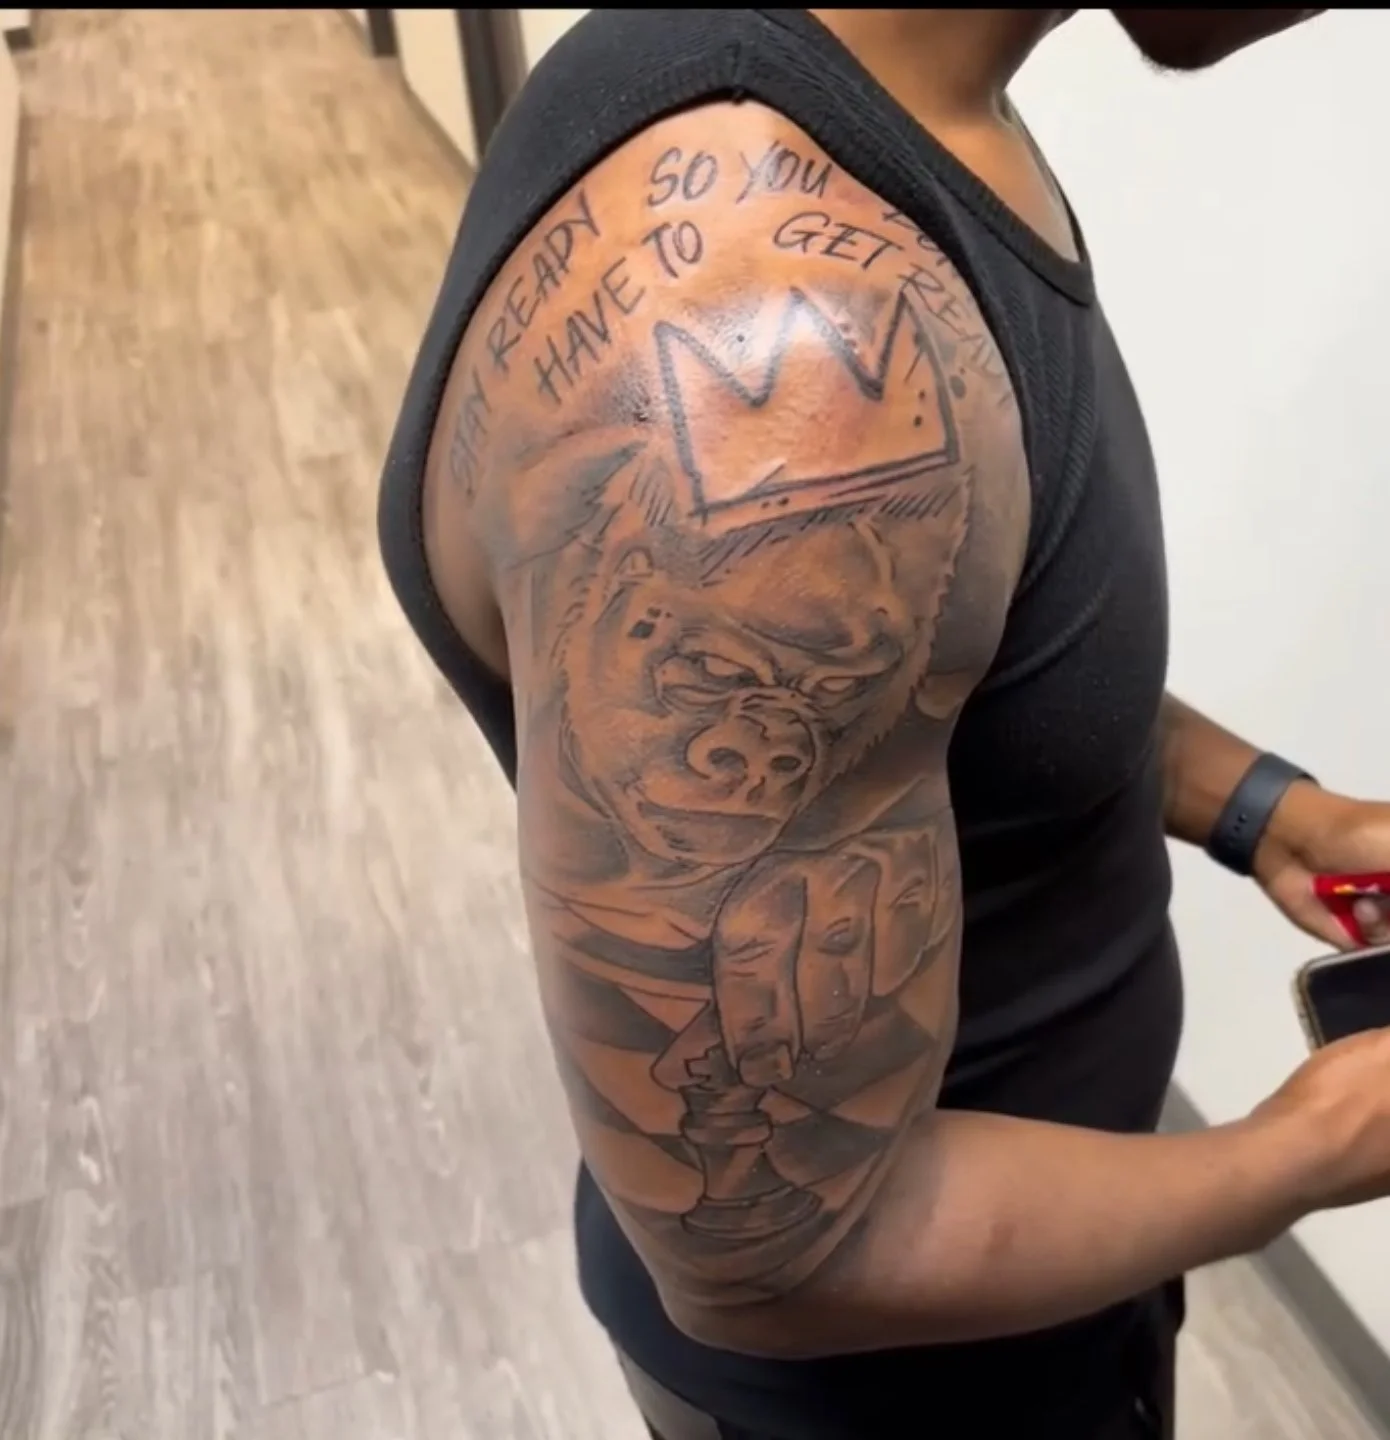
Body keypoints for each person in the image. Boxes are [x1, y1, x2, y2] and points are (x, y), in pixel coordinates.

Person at [378, 9, 1390, 1437]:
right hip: (924, 1388)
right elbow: (776, 1259)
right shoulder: (788, 319)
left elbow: (954, 675)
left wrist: (1268, 813)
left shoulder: (876, 103)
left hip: (1049, 1281)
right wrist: (1306, 1150)